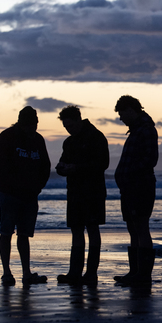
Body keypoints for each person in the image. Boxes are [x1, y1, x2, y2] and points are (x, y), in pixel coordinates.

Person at [0, 106, 51, 286]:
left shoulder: (38, 140)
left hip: (30, 196)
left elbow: (45, 166)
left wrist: (38, 187)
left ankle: (26, 273)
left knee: (24, 234)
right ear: (21, 123)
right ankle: (6, 272)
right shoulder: (7, 136)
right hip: (10, 194)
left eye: (34, 125)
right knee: (6, 232)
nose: (32, 129)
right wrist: (13, 184)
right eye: (29, 126)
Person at [55, 106, 109, 287]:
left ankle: (91, 273)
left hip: (93, 191)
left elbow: (103, 163)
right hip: (75, 192)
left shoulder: (96, 137)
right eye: (66, 127)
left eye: (70, 125)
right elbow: (63, 162)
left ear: (79, 120)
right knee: (76, 230)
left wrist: (76, 168)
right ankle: (74, 272)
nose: (69, 129)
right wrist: (62, 168)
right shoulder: (69, 142)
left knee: (92, 228)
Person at [113, 95, 158, 285]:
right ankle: (135, 272)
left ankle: (143, 275)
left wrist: (130, 174)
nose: (121, 118)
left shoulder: (146, 130)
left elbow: (150, 159)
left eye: (122, 114)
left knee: (141, 227)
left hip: (140, 187)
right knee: (133, 229)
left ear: (131, 110)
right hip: (130, 187)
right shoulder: (135, 131)